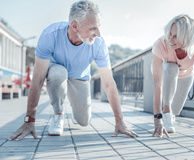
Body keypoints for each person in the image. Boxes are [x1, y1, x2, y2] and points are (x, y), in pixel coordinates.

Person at [9, 0, 137, 141]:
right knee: (58, 73)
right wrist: (29, 120)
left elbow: (108, 83)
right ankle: (58, 114)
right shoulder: (50, 35)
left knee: (84, 121)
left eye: (99, 27)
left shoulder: (98, 44)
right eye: (93, 28)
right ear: (75, 26)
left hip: (80, 77)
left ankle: (75, 105)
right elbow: (38, 79)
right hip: (57, 73)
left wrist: (119, 121)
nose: (98, 34)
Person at [152, 14, 194, 138]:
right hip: (168, 73)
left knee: (176, 110)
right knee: (170, 67)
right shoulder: (160, 44)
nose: (170, 39)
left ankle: (170, 113)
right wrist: (157, 119)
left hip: (186, 75)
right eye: (169, 34)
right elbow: (157, 83)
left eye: (175, 36)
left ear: (186, 38)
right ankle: (166, 111)